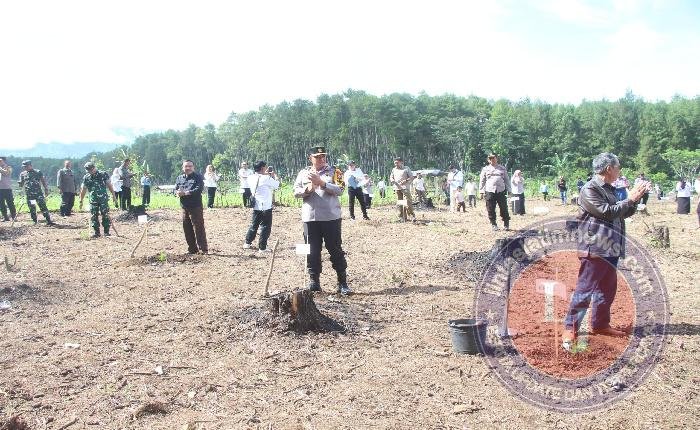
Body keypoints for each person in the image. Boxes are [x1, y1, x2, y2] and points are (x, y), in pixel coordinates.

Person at [562, 152, 651, 347]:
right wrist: (630, 199)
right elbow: (606, 212)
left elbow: (621, 213)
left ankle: (600, 324)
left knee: (607, 289)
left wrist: (634, 200)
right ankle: (570, 328)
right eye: (618, 167)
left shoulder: (609, 189)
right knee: (585, 290)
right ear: (609, 169)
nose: (619, 170)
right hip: (595, 248)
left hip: (611, 247)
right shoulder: (590, 189)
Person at [293, 146, 351, 295]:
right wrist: (308, 190)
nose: (321, 159)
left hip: (330, 217)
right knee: (311, 250)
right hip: (310, 218)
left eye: (323, 156)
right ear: (310, 158)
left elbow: (340, 189)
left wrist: (322, 183)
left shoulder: (335, 171)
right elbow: (296, 192)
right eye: (317, 157)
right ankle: (314, 282)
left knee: (335, 248)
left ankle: (342, 282)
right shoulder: (303, 173)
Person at [242, 161, 280, 253]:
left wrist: (265, 174)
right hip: (265, 206)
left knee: (254, 225)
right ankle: (262, 247)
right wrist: (274, 176)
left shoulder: (250, 177)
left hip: (256, 205)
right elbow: (277, 185)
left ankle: (247, 242)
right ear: (262, 168)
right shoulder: (266, 178)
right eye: (265, 167)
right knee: (265, 227)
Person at [175, 160, 208, 254]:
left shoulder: (198, 177)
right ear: (183, 168)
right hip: (184, 207)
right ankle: (192, 249)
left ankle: (203, 249)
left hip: (196, 207)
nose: (188, 168)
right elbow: (175, 189)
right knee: (187, 228)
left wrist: (186, 193)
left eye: (190, 166)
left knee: (198, 228)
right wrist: (177, 193)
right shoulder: (179, 178)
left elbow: (199, 189)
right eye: (186, 166)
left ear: (193, 167)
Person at [79, 162, 117, 238]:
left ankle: (106, 232)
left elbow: (109, 185)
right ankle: (96, 233)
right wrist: (81, 200)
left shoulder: (103, 174)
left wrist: (114, 196)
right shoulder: (87, 177)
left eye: (91, 169)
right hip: (93, 200)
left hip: (103, 199)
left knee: (105, 214)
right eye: (88, 170)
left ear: (94, 167)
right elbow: (84, 189)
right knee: (94, 216)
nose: (90, 171)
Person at [479, 153, 511, 231]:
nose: (492, 160)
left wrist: (509, 190)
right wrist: (481, 191)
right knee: (490, 208)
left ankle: (506, 224)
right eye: (490, 158)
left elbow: (507, 180)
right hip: (490, 191)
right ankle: (494, 224)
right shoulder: (485, 169)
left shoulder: (502, 168)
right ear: (488, 160)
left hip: (501, 190)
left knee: (503, 208)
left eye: (493, 158)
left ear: (497, 158)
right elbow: (482, 180)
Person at [18, 160, 54, 225]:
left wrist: (46, 189)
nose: (25, 168)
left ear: (30, 165)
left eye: (26, 166)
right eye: (24, 167)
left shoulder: (38, 172)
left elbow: (43, 181)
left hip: (38, 194)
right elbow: (21, 184)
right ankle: (35, 221)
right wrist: (20, 183)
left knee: (43, 207)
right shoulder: (23, 174)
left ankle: (48, 220)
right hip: (30, 195)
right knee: (32, 208)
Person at [390, 157, 416, 222]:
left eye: (397, 163)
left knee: (408, 202)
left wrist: (406, 180)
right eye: (395, 163)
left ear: (401, 162)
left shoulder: (406, 168)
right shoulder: (394, 169)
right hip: (397, 188)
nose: (396, 164)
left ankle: (412, 216)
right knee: (400, 203)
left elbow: (412, 177)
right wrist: (392, 180)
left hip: (405, 188)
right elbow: (391, 177)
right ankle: (402, 217)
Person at [0, 157, 17, 222]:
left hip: (7, 189)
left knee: (10, 203)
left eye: (0, 161)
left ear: (4, 161)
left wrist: (0, 169)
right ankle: (5, 217)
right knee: (1, 204)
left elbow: (6, 173)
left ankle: (14, 217)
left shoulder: (8, 167)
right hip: (0, 189)